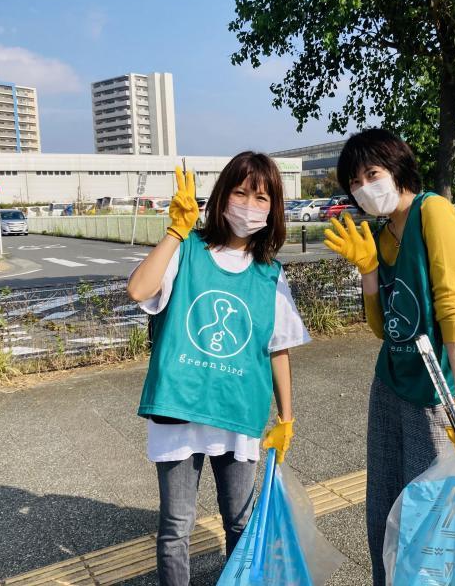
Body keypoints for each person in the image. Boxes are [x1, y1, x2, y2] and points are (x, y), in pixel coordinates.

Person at [127, 152, 310, 585]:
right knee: (176, 528)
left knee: (241, 523)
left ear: (274, 208)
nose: (249, 204)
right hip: (180, 406)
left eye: (261, 197)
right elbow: (139, 289)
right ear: (222, 197)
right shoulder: (187, 251)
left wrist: (286, 416)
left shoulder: (270, 274)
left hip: (237, 411)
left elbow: (277, 348)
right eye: (241, 192)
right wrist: (175, 231)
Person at [323, 129, 455, 585]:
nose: (364, 188)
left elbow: (454, 309)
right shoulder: (382, 233)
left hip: (441, 385)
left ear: (398, 170)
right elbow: (383, 328)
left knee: (434, 513)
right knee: (385, 504)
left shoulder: (434, 213)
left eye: (372, 174)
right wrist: (368, 271)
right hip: (394, 378)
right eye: (354, 182)